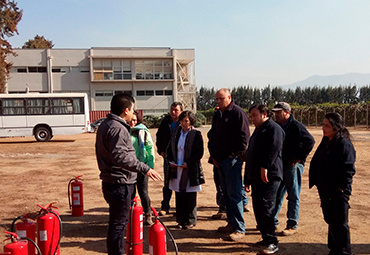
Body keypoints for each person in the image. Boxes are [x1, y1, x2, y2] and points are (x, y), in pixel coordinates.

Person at [95, 93, 162, 255]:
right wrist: (145, 168)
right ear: (126, 110)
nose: (134, 113)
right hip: (120, 184)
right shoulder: (117, 128)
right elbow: (121, 157)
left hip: (113, 182)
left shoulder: (106, 124)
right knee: (118, 226)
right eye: (132, 110)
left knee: (116, 224)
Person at [309, 112, 356, 255]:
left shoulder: (343, 144)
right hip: (326, 190)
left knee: (340, 223)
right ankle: (334, 249)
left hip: (337, 192)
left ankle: (343, 251)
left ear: (335, 127)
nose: (323, 128)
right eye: (323, 125)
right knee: (331, 220)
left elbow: (348, 169)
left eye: (326, 126)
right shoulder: (326, 141)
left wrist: (341, 188)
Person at [208, 88, 250, 241]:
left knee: (234, 194)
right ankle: (231, 223)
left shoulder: (238, 113)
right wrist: (213, 155)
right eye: (217, 99)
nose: (219, 101)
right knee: (225, 194)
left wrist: (234, 154)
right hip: (219, 161)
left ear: (229, 97)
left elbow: (244, 137)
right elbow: (212, 134)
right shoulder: (218, 114)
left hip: (232, 160)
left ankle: (239, 228)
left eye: (221, 98)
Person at [244, 104, 285, 255]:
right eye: (251, 116)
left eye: (254, 115)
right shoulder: (258, 130)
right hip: (256, 177)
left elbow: (274, 149)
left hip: (270, 176)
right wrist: (247, 179)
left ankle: (272, 242)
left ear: (264, 114)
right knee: (258, 207)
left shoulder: (274, 129)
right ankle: (265, 237)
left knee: (266, 207)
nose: (252, 119)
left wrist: (265, 166)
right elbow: (251, 155)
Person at [271, 102, 315, 236]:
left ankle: (292, 224)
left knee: (293, 194)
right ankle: (273, 222)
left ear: (287, 112)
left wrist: (299, 157)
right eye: (275, 112)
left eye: (279, 112)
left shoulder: (296, 126)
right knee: (277, 194)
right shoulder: (277, 126)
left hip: (293, 166)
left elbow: (310, 141)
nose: (276, 115)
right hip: (281, 165)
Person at [166, 110, 205, 229]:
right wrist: (171, 161)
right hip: (177, 168)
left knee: (190, 195)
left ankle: (191, 220)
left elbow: (199, 152)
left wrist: (188, 163)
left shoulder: (196, 134)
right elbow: (170, 149)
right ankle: (181, 220)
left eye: (186, 121)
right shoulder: (176, 134)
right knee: (179, 194)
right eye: (182, 121)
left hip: (190, 169)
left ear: (191, 121)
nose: (183, 123)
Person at [128, 111, 155, 226]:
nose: (132, 122)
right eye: (130, 120)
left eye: (134, 120)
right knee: (130, 192)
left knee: (143, 191)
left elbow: (149, 147)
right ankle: (131, 215)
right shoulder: (124, 131)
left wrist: (149, 166)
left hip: (142, 166)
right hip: (128, 167)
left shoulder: (143, 131)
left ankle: (148, 214)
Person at [156, 102, 183, 216]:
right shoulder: (165, 121)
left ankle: (180, 208)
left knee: (180, 183)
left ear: (180, 111)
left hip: (181, 158)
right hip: (168, 157)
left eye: (176, 110)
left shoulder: (184, 122)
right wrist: (161, 150)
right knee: (168, 182)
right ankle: (165, 207)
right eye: (172, 110)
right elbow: (159, 136)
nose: (173, 112)